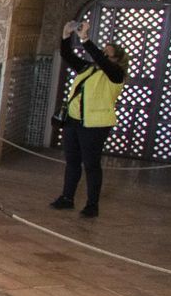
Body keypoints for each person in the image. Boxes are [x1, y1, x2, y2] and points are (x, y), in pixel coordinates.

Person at [51, 19, 129, 219]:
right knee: (72, 162)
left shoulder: (116, 74)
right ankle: (67, 198)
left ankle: (92, 205)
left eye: (108, 52)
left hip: (95, 126)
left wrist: (85, 38)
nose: (103, 54)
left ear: (117, 58)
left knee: (91, 165)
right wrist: (66, 35)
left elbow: (101, 61)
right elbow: (67, 55)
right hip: (73, 121)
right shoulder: (89, 69)